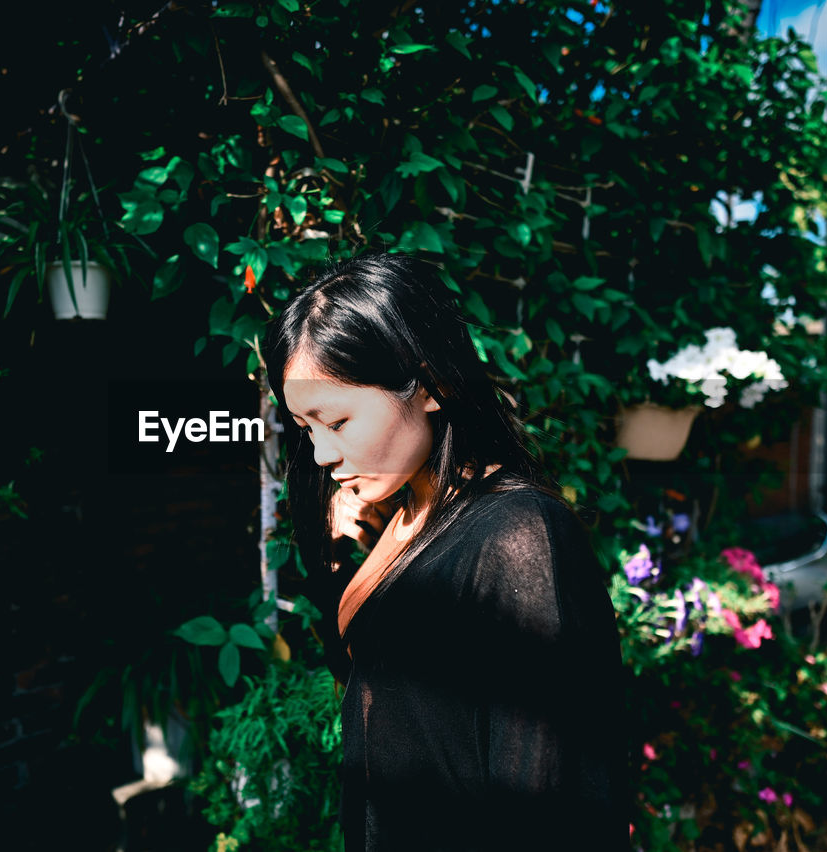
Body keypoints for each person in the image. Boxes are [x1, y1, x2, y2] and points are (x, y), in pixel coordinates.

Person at [262, 253, 630, 851]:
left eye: (338, 420)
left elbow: (547, 800)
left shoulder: (518, 535)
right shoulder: (408, 519)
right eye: (307, 428)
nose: (322, 454)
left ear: (432, 385)